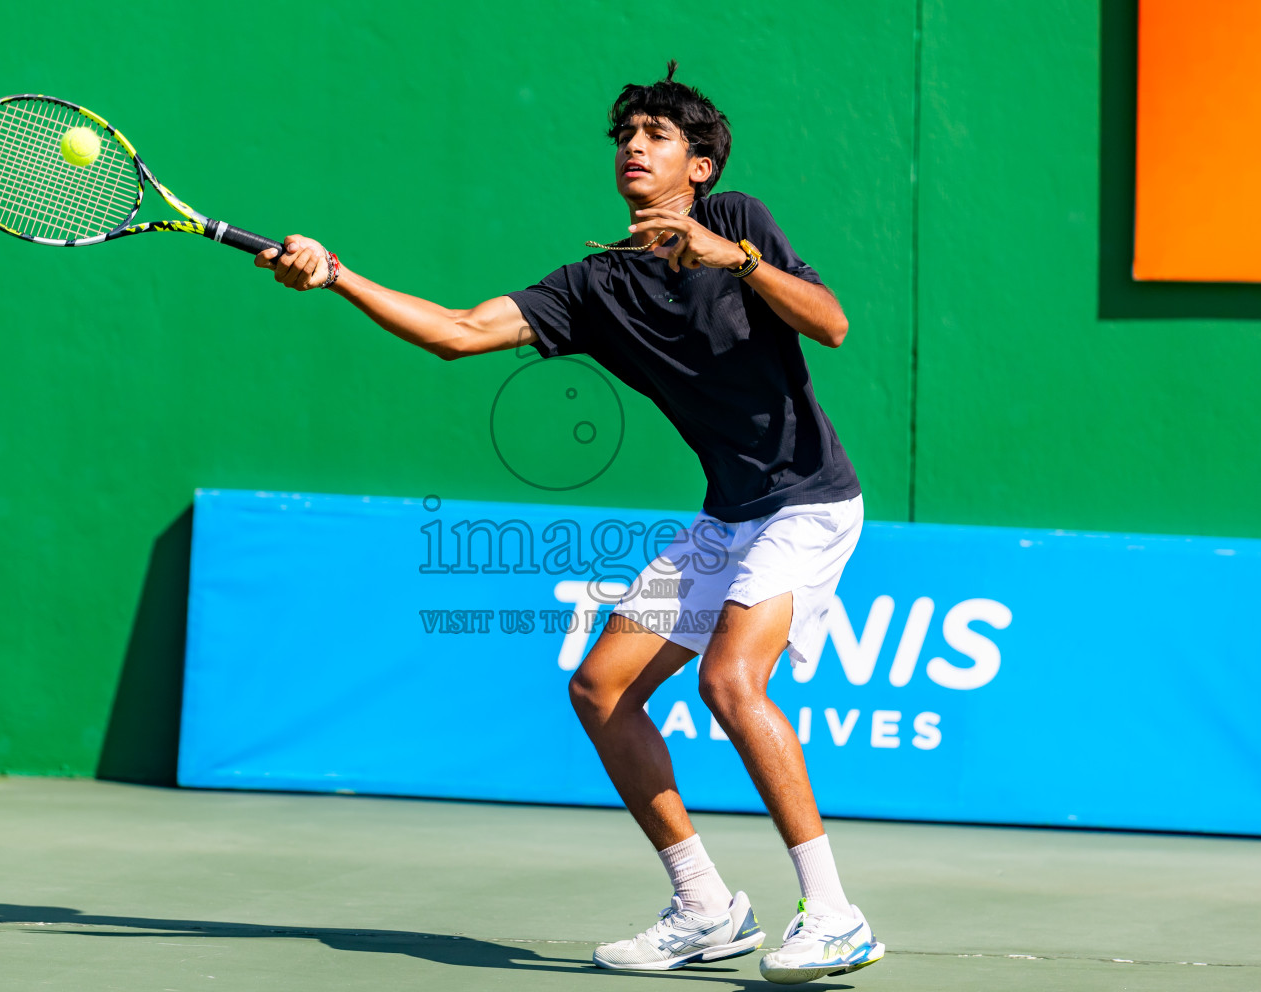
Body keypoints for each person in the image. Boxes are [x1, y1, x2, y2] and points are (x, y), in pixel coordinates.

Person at [254, 62, 882, 984]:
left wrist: (736, 260)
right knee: (601, 690)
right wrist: (338, 275)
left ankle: (834, 914)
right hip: (730, 514)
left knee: (731, 683)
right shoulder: (594, 286)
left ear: (700, 167)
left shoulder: (741, 219)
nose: (634, 146)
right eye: (626, 135)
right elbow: (459, 332)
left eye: (658, 135)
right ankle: (706, 906)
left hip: (809, 502)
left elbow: (831, 325)